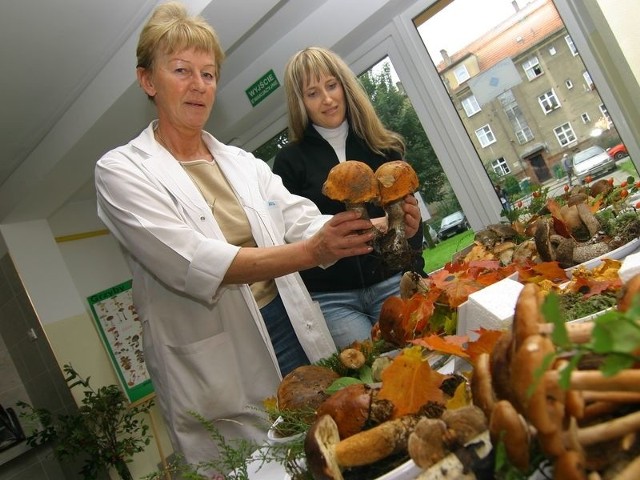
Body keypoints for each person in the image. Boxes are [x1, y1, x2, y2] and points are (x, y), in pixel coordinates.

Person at [93, 3, 421, 471]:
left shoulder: (240, 162)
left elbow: (303, 219)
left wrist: (386, 227)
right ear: (148, 81)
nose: (198, 85)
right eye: (181, 70)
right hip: (217, 356)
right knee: (260, 466)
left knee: (330, 449)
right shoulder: (121, 170)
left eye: (208, 74)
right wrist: (312, 252)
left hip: (289, 321)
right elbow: (191, 261)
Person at [272, 47, 425, 350]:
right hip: (333, 299)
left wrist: (414, 229)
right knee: (372, 378)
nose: (327, 99)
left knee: (420, 357)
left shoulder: (384, 147)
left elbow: (412, 234)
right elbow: (289, 234)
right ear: (300, 102)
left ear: (344, 86)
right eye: (312, 93)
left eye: (331, 85)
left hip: (393, 280)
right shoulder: (289, 162)